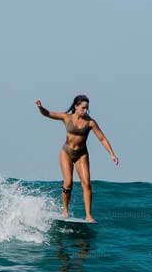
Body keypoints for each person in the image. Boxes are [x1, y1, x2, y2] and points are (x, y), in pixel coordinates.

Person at [35, 94, 119, 222]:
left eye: (87, 108)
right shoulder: (66, 117)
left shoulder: (90, 122)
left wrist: (112, 154)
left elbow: (102, 138)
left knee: (87, 184)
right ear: (76, 106)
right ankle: (65, 210)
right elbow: (48, 113)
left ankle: (88, 216)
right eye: (83, 108)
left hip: (81, 155)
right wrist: (40, 107)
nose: (85, 110)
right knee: (68, 182)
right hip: (66, 153)